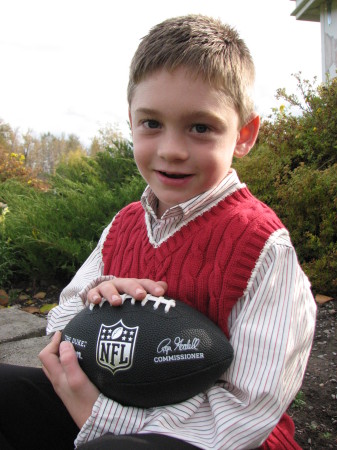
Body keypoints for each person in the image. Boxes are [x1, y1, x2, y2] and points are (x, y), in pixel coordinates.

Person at [0, 14, 316, 450]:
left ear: (244, 135)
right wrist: (99, 297)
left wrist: (105, 419)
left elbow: (248, 410)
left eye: (200, 127)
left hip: (210, 437)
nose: (171, 149)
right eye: (152, 123)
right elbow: (61, 319)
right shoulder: (124, 225)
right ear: (131, 119)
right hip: (104, 401)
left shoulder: (261, 246)